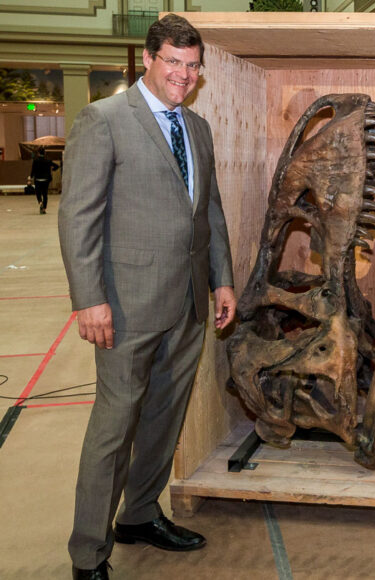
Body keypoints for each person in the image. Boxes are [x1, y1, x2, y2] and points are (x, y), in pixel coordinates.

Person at [58, 14, 236, 580]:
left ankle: (138, 516)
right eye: (173, 63)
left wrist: (221, 279)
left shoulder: (198, 129)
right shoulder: (104, 120)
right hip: (124, 308)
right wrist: (89, 299)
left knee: (163, 419)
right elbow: (77, 216)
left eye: (192, 66)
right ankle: (88, 553)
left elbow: (207, 211)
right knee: (113, 430)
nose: (183, 75)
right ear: (150, 59)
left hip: (186, 305)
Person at [30, 149, 58, 214]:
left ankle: (40, 202)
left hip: (38, 179)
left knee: (38, 192)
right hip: (46, 179)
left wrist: (31, 177)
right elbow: (57, 166)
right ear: (44, 153)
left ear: (38, 153)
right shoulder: (48, 160)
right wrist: (53, 169)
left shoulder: (36, 161)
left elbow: (33, 170)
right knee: (45, 194)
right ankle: (44, 208)